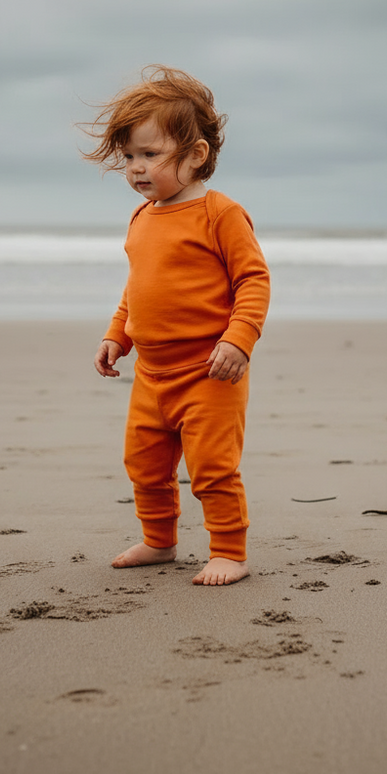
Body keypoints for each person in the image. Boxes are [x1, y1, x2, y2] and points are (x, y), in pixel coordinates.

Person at [82, 66, 270, 586]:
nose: (136, 169)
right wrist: (116, 335)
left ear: (196, 155)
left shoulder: (220, 213)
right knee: (143, 465)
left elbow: (253, 280)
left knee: (212, 468)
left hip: (210, 372)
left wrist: (240, 339)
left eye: (150, 154)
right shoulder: (143, 217)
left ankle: (230, 551)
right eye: (129, 157)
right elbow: (137, 286)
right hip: (152, 374)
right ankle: (159, 541)